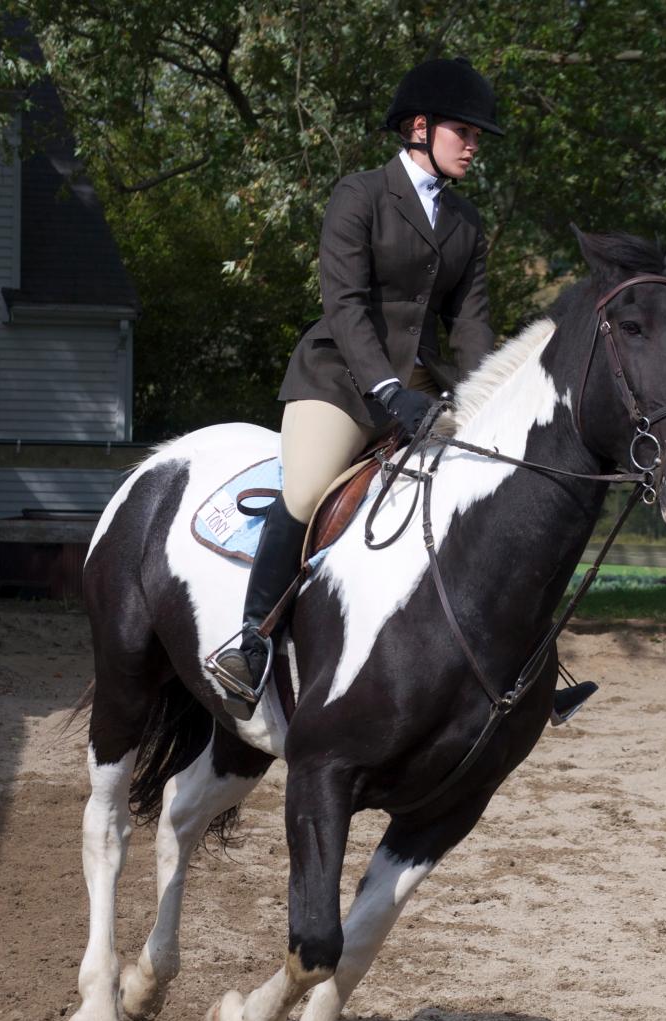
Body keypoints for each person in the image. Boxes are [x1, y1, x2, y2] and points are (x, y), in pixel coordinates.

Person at [211, 57, 502, 717]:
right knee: (308, 488)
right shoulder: (360, 194)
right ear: (420, 128)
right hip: (341, 376)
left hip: (427, 384)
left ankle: (518, 650)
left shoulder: (466, 223)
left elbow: (472, 324)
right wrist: (383, 387)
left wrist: (487, 399)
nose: (474, 142)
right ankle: (251, 640)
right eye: (465, 130)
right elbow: (343, 305)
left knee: (499, 478)